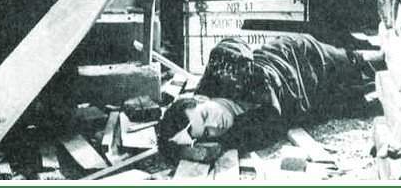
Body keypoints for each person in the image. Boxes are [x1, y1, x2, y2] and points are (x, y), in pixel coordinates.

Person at [158, 33, 374, 162]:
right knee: (368, 101)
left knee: (358, 63)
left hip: (297, 59)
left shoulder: (218, 73)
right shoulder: (232, 135)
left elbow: (229, 46)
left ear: (202, 99)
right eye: (207, 132)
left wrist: (240, 65)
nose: (215, 125)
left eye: (206, 116)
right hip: (311, 100)